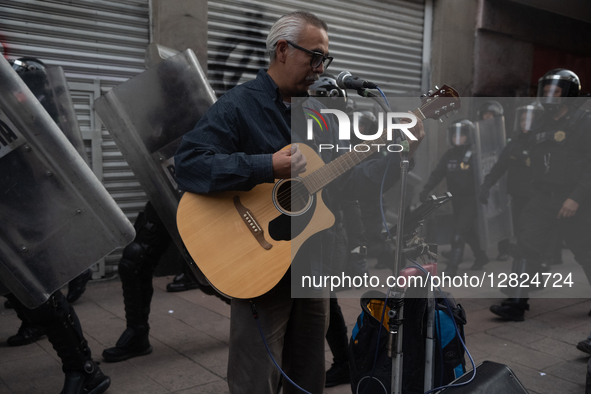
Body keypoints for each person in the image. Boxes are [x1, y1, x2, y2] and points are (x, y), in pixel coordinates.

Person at [174, 11, 424, 393]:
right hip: (259, 260)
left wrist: (402, 150)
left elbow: (350, 182)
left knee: (308, 375)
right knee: (254, 376)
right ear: (283, 50)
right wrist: (265, 166)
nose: (321, 68)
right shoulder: (240, 105)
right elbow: (189, 164)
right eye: (315, 56)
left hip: (313, 264)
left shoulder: (320, 113)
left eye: (326, 59)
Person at [490, 69, 591, 321]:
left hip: (573, 201)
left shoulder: (584, 121)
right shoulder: (540, 122)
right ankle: (515, 304)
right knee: (525, 248)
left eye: (555, 92)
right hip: (542, 198)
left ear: (568, 94)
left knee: (585, 252)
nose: (548, 97)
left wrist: (576, 198)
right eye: (545, 91)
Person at [419, 119, 489, 275]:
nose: (457, 138)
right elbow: (438, 173)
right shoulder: (449, 155)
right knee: (467, 231)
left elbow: (485, 175)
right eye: (454, 135)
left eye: (461, 135)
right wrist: (426, 189)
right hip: (456, 200)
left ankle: (453, 267)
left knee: (458, 235)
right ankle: (481, 256)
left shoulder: (474, 154)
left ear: (468, 136)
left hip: (472, 200)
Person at [478, 102, 542, 259]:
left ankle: (534, 270)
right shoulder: (515, 144)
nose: (525, 124)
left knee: (531, 237)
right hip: (518, 197)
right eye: (522, 120)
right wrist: (486, 185)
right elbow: (499, 167)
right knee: (522, 236)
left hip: (538, 198)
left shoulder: (542, 143)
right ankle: (525, 276)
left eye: (530, 120)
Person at [477, 100, 511, 261]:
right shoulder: (477, 135)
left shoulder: (505, 136)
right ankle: (481, 250)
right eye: (485, 116)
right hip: (484, 179)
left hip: (501, 181)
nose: (487, 119)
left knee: (501, 212)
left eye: (490, 116)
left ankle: (504, 248)